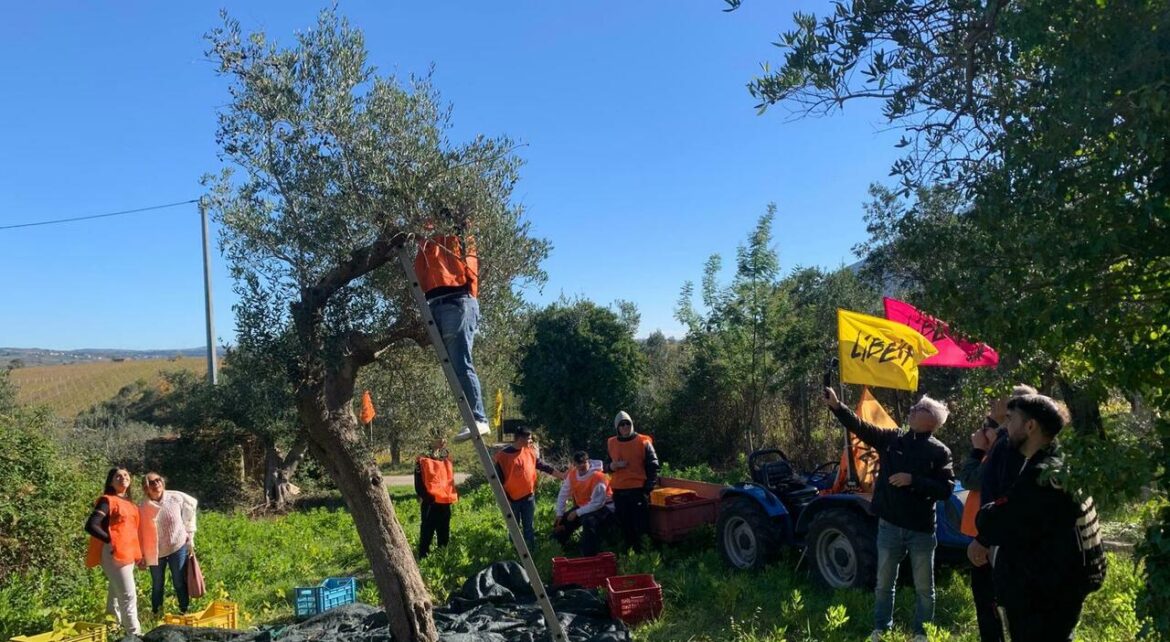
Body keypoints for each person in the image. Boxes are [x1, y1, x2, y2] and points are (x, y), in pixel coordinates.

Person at [822, 388, 954, 642]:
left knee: (924, 588)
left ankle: (922, 633)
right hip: (889, 526)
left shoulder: (940, 452)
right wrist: (838, 406)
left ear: (932, 420)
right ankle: (882, 628)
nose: (913, 409)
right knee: (883, 584)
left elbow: (945, 490)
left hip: (921, 530)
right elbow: (861, 427)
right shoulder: (894, 439)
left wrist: (913, 480)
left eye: (920, 408)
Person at [975, 394, 1103, 642]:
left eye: (1011, 420)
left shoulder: (1042, 476)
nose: (1005, 427)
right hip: (1059, 588)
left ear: (1030, 426)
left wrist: (988, 514)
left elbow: (995, 520)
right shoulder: (1062, 466)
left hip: (1043, 595)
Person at [956, 384, 1038, 642]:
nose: (991, 401)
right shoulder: (1017, 439)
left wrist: (977, 450)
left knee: (990, 601)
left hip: (992, 536)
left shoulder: (1007, 444)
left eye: (998, 399)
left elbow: (971, 479)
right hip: (993, 532)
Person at [414, 217, 488, 443]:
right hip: (436, 302)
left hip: (457, 301)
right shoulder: (428, 239)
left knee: (460, 361)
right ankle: (474, 418)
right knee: (453, 365)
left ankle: (479, 419)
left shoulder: (459, 235)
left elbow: (463, 265)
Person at [84, 467, 143, 635]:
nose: (123, 478)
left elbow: (131, 531)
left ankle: (112, 629)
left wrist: (139, 555)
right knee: (128, 596)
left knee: (116, 594)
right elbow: (91, 525)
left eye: (125, 475)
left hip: (129, 554)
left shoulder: (130, 504)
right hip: (114, 553)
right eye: (118, 476)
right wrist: (111, 541)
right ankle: (135, 634)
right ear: (111, 481)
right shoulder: (107, 500)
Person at [138, 472, 198, 615]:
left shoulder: (175, 498)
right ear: (146, 488)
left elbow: (190, 514)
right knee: (157, 584)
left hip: (177, 547)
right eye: (152, 482)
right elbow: (139, 532)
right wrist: (141, 555)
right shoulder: (142, 507)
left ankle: (185, 611)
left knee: (178, 581)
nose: (156, 484)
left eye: (158, 480)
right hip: (156, 552)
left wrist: (190, 537)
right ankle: (156, 613)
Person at [493, 427, 558, 549]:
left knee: (529, 526)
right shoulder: (502, 456)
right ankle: (515, 551)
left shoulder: (529, 451)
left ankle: (531, 550)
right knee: (514, 527)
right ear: (520, 439)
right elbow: (498, 481)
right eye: (528, 438)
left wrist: (560, 475)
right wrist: (505, 499)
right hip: (511, 499)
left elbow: (541, 465)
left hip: (529, 496)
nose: (530, 440)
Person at [605, 411, 660, 552]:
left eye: (627, 423)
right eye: (621, 424)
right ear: (617, 427)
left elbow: (653, 466)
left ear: (632, 424)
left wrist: (648, 488)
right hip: (619, 490)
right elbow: (605, 466)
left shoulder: (643, 441)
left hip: (638, 489)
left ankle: (645, 553)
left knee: (641, 525)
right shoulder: (611, 442)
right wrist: (612, 466)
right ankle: (629, 554)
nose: (624, 427)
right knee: (625, 524)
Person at [553, 451, 616, 556]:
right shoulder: (572, 474)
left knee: (588, 521)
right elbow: (563, 494)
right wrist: (559, 514)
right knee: (562, 521)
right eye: (578, 463)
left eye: (584, 463)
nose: (581, 466)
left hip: (605, 507)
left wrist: (577, 512)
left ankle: (589, 555)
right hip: (584, 506)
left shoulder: (599, 477)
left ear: (588, 461)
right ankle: (555, 548)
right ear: (574, 464)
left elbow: (597, 503)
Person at [415, 438, 458, 559]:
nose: (443, 441)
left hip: (445, 502)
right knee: (427, 534)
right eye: (440, 437)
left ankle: (442, 559)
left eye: (445, 438)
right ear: (432, 439)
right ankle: (423, 559)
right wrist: (429, 499)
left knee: (444, 534)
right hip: (431, 503)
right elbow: (418, 485)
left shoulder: (446, 456)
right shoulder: (422, 458)